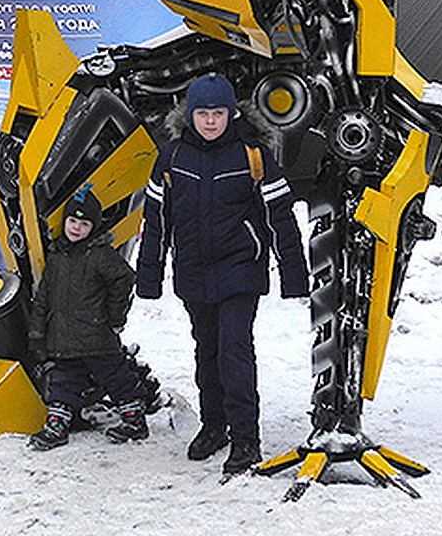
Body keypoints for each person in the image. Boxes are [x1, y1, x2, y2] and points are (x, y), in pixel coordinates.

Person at [137, 73, 309, 477]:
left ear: (232, 114)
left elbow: (280, 217)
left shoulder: (254, 155)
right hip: (193, 270)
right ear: (190, 114)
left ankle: (246, 439)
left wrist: (293, 273)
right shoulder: (172, 156)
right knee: (206, 350)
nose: (211, 121)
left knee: (234, 350)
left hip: (239, 269)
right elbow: (155, 219)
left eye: (218, 113)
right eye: (203, 113)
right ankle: (214, 426)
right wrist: (149, 275)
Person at [26, 187, 148, 450]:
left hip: (97, 337)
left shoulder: (100, 254)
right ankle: (57, 426)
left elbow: (124, 278)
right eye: (72, 221)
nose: (77, 228)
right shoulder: (57, 256)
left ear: (93, 227)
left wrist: (115, 316)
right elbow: (44, 298)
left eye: (84, 224)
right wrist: (37, 332)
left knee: (117, 378)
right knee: (63, 383)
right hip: (64, 338)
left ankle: (134, 419)